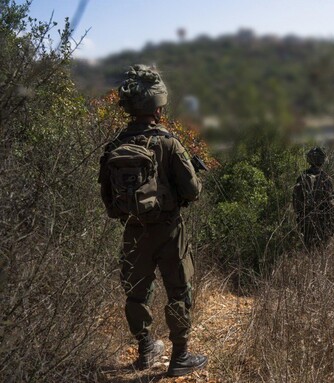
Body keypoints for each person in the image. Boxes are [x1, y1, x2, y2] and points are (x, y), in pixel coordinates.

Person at [98, 65, 207, 377]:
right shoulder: (168, 143)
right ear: (158, 106)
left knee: (135, 292)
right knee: (178, 292)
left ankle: (146, 347)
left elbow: (107, 197)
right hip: (170, 230)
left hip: (133, 231)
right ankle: (180, 357)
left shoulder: (115, 146)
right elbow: (192, 191)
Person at [292, 147, 334, 250]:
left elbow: (295, 202)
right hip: (322, 221)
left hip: (305, 219)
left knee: (307, 247)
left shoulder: (302, 177)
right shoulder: (326, 178)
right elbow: (332, 202)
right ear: (322, 160)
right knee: (322, 248)